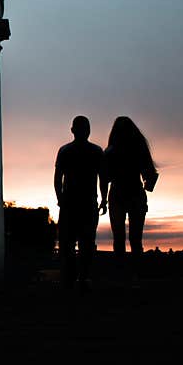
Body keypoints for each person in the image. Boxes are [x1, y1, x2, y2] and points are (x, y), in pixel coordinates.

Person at [54, 115, 106, 292]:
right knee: (86, 242)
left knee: (69, 242)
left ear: (72, 130)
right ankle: (82, 278)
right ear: (88, 130)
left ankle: (70, 278)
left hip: (71, 203)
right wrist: (104, 199)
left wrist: (60, 198)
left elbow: (57, 178)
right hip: (86, 203)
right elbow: (103, 179)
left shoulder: (65, 151)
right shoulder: (96, 151)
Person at [102, 116, 158, 281]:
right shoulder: (139, 149)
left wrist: (104, 199)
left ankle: (121, 275)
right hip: (136, 195)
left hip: (117, 195)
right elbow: (149, 174)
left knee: (118, 239)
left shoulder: (110, 151)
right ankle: (137, 275)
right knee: (136, 239)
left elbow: (105, 178)